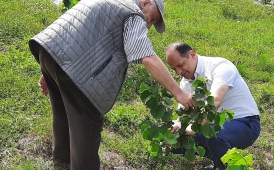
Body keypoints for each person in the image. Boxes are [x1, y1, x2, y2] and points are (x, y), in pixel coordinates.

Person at [28, 0, 196, 169]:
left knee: (62, 115)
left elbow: (77, 31)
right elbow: (146, 55)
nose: (148, 26)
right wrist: (179, 93)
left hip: (50, 51)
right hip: (72, 69)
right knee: (87, 126)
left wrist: (51, 68)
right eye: (151, 18)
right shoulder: (133, 12)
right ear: (145, 2)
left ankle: (62, 164)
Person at [165, 42, 261, 170]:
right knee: (175, 141)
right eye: (174, 69)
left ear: (192, 54)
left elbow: (215, 101)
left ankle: (228, 166)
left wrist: (193, 129)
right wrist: (177, 125)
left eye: (180, 65)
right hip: (214, 125)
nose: (179, 72)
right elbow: (184, 113)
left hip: (245, 123)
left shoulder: (220, 67)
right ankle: (219, 163)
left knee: (214, 135)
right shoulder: (186, 82)